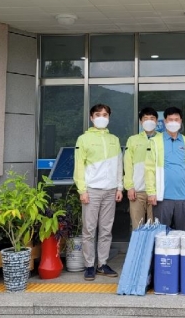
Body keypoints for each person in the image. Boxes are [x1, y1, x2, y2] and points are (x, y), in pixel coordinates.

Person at [73, 103, 123, 282]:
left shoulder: (114, 139)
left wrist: (119, 187)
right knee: (89, 229)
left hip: (110, 190)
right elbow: (79, 166)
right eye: (98, 115)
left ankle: (102, 264)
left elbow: (119, 164)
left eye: (105, 115)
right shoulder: (83, 139)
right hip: (91, 190)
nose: (102, 117)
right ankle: (89, 265)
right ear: (91, 118)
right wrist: (82, 190)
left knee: (106, 230)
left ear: (109, 117)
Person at [145, 106, 185, 231]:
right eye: (170, 119)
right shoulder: (155, 141)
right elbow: (149, 169)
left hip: (183, 197)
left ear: (181, 121)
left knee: (182, 233)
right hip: (162, 197)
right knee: (161, 233)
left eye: (176, 119)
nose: (173, 122)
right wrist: (151, 192)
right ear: (165, 121)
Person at [124, 107, 157, 230]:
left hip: (156, 190)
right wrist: (129, 187)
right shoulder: (133, 140)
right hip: (137, 190)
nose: (149, 121)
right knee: (137, 227)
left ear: (157, 121)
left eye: (152, 118)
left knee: (155, 227)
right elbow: (128, 165)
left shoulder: (161, 139)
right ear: (140, 121)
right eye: (145, 118)